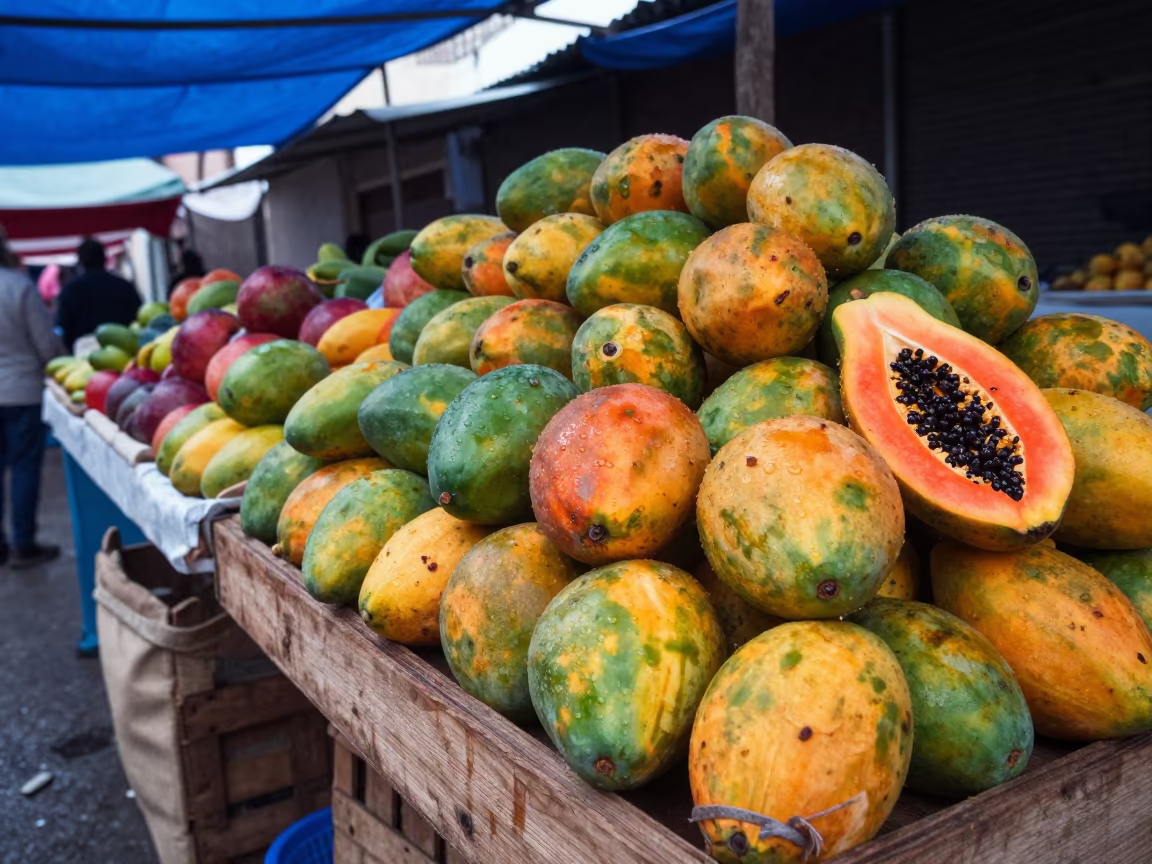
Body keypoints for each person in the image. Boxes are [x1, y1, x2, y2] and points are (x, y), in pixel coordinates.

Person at [0, 226, 64, 568]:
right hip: (21, 392)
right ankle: (23, 545)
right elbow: (46, 346)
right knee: (24, 469)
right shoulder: (18, 287)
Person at [55, 238, 141, 352]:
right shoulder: (123, 286)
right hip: (124, 351)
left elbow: (63, 325)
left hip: (85, 354)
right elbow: (139, 317)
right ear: (105, 259)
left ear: (81, 262)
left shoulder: (71, 290)